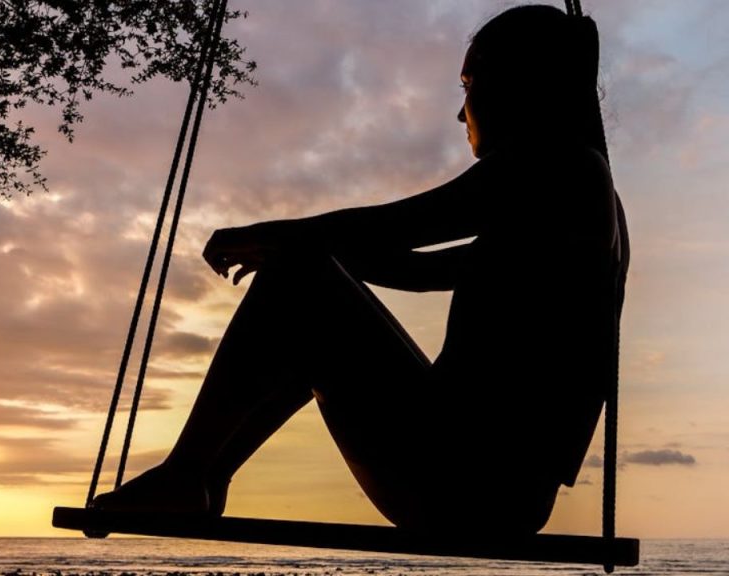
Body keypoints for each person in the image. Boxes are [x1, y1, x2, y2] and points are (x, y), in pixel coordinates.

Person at [91, 4, 630, 535]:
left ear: (517, 82)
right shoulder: (577, 196)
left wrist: (281, 240)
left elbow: (407, 223)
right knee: (307, 282)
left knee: (300, 276)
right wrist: (308, 252)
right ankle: (204, 479)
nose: (460, 112)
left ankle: (189, 474)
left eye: (467, 85)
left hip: (465, 479)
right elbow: (419, 269)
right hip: (497, 491)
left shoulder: (557, 167)